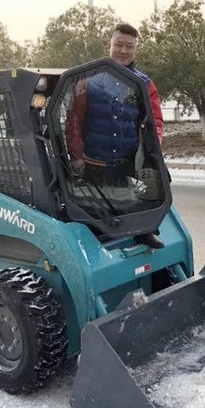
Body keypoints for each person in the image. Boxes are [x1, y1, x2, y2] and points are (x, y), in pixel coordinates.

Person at [65, 23, 165, 249]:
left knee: (131, 202)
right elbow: (74, 121)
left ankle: (145, 232)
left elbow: (156, 121)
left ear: (135, 50)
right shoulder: (88, 80)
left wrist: (153, 146)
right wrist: (76, 155)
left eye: (129, 46)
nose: (123, 51)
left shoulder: (144, 84)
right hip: (93, 162)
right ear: (109, 45)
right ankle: (93, 249)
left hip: (125, 161)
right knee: (93, 211)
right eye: (119, 45)